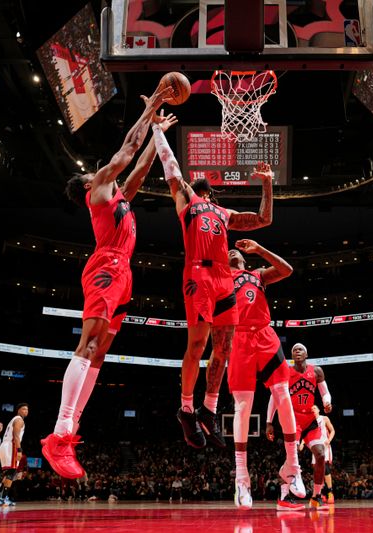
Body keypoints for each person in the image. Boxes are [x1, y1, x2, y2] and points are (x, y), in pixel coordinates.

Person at [40, 86, 176, 479]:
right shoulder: (98, 189)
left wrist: (159, 134)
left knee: (101, 354)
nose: (99, 170)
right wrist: (149, 108)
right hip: (105, 267)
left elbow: (139, 169)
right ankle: (58, 434)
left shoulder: (121, 197)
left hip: (124, 272)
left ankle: (71, 430)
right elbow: (125, 153)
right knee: (91, 343)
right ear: (87, 185)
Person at [151, 121, 275, 449]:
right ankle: (186, 409)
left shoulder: (223, 213)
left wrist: (267, 184)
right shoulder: (186, 200)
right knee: (197, 347)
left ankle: (209, 408)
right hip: (198, 276)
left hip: (223, 279)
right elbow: (172, 167)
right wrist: (157, 129)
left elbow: (264, 219)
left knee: (223, 349)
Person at [226, 239, 305, 510]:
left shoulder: (258, 275)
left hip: (265, 335)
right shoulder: (223, 277)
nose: (231, 251)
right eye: (228, 252)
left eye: (234, 250)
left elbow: (286, 270)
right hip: (238, 339)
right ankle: (242, 478)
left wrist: (259, 248)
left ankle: (292, 467)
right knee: (244, 407)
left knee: (283, 393)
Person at [268, 343, 333, 508]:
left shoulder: (316, 371)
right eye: (294, 350)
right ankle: (284, 496)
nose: (297, 351)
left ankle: (316, 496)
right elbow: (273, 397)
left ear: (306, 354)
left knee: (320, 454)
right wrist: (269, 421)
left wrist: (327, 402)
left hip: (310, 420)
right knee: (292, 455)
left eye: (300, 349)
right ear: (292, 356)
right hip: (293, 419)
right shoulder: (286, 372)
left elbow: (324, 392)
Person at [0, 403, 29, 506]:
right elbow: (16, 435)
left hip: (5, 445)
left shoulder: (13, 419)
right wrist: (19, 450)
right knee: (12, 472)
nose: (26, 411)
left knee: (9, 472)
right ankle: (3, 498)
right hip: (11, 445)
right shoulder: (19, 420)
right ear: (18, 410)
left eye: (27, 410)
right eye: (23, 409)